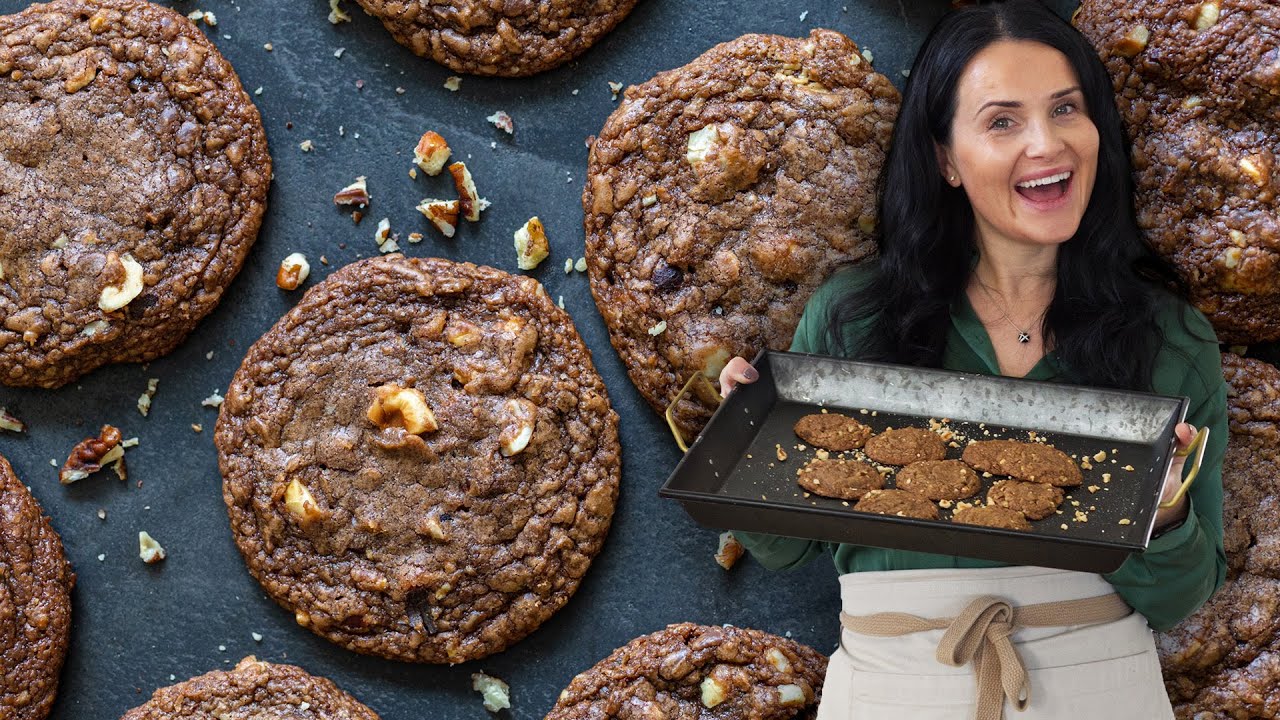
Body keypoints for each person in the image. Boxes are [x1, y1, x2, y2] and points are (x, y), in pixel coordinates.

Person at [717, 2, 1228, 718]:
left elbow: (1181, 599)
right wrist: (745, 444)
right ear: (945, 159)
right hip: (894, 690)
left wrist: (1165, 510)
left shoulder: (1172, 341)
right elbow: (783, 551)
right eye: (1003, 121)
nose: (1046, 144)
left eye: (1065, 110)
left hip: (1100, 691)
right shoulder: (853, 319)